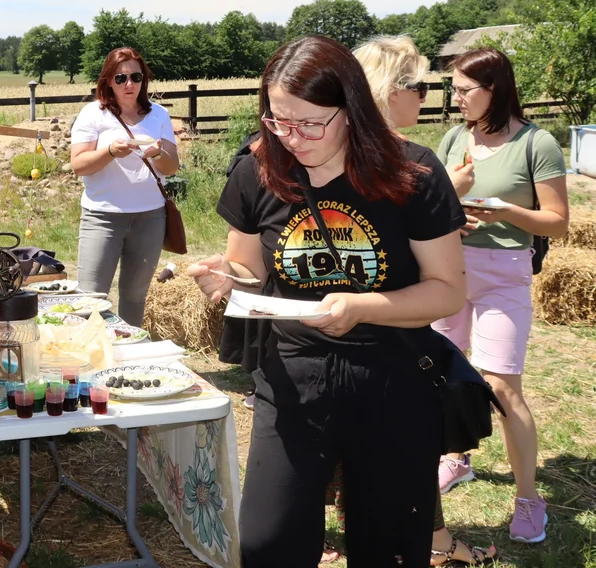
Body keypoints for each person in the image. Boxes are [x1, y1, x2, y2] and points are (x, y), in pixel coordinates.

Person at [188, 36, 467, 567]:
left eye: (309, 123)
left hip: (393, 377)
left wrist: (362, 307)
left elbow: (447, 290)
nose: (291, 138)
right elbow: (248, 266)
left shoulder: (414, 172)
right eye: (277, 120)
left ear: (353, 108)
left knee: (385, 549)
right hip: (293, 377)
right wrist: (226, 277)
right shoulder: (258, 169)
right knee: (268, 545)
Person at [354, 34, 496, 565]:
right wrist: (447, 196)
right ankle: (436, 545)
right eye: (419, 86)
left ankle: (430, 542)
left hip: (363, 330)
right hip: (392, 333)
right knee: (407, 448)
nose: (427, 97)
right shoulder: (409, 162)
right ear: (390, 90)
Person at [433, 48, 569, 545]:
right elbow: (436, 204)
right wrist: (457, 215)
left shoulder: (538, 144)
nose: (456, 99)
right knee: (441, 375)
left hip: (504, 273)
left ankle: (529, 498)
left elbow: (558, 221)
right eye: (454, 89)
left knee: (503, 386)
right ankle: (455, 458)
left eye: (465, 90)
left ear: (495, 88)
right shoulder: (453, 138)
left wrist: (504, 211)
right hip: (449, 269)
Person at [70, 47, 180, 328]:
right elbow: (79, 164)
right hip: (102, 218)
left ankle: (129, 362)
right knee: (90, 299)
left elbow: (171, 167)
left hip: (150, 217)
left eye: (136, 77)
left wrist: (157, 154)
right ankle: (88, 360)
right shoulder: (93, 114)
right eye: (121, 78)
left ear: (144, 80)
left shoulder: (159, 115)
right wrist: (109, 151)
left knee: (134, 296)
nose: (129, 84)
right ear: (108, 80)